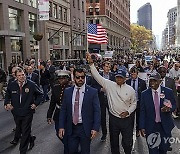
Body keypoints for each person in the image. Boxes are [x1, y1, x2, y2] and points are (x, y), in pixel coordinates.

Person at [86, 53, 136, 154]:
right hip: (113, 119)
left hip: (126, 120)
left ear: (125, 78)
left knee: (127, 143)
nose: (118, 79)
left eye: (121, 78)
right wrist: (91, 64)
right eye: (117, 77)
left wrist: (128, 112)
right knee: (114, 143)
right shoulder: (110, 85)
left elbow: (134, 103)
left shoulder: (130, 89)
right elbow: (97, 77)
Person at [59, 68, 101, 154]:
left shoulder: (92, 92)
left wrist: (95, 128)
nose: (80, 79)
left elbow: (97, 111)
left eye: (82, 77)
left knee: (85, 151)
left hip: (85, 128)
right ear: (74, 78)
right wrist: (61, 126)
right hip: (71, 128)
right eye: (78, 77)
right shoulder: (68, 92)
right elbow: (63, 110)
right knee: (72, 150)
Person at [4, 67, 43, 154]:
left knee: (25, 131)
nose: (21, 77)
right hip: (16, 112)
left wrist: (35, 104)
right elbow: (7, 95)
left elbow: (40, 94)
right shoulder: (12, 85)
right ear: (16, 76)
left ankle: (22, 151)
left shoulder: (31, 84)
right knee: (21, 129)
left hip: (28, 112)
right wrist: (7, 103)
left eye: (23, 75)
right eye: (19, 75)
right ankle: (31, 139)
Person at [139, 72, 176, 154]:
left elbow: (174, 105)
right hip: (151, 126)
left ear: (160, 81)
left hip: (165, 126)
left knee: (164, 148)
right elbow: (142, 111)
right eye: (151, 80)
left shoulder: (168, 92)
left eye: (154, 81)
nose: (152, 83)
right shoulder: (144, 94)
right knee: (153, 150)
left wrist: (168, 109)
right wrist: (141, 126)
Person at [47, 70, 71, 154]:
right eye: (59, 78)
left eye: (63, 78)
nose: (61, 80)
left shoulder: (71, 88)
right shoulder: (56, 88)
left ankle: (68, 148)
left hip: (69, 114)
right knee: (58, 132)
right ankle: (70, 146)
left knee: (67, 134)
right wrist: (49, 115)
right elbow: (52, 103)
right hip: (58, 113)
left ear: (67, 79)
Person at [91, 61, 115, 141]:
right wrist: (100, 89)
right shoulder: (98, 76)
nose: (108, 68)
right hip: (101, 99)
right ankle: (104, 134)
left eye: (109, 66)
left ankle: (113, 133)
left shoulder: (113, 76)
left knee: (112, 116)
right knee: (102, 117)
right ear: (103, 67)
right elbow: (93, 86)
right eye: (106, 66)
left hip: (110, 99)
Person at [126, 66, 147, 137]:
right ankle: (130, 130)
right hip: (130, 103)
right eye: (131, 74)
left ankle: (138, 129)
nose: (133, 75)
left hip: (139, 102)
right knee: (130, 118)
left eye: (134, 74)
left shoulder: (142, 82)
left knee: (138, 117)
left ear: (137, 74)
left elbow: (144, 93)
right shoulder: (128, 82)